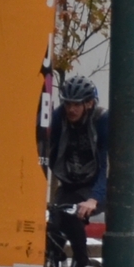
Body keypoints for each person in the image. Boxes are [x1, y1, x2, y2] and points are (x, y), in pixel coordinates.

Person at [45, 76, 109, 221]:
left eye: (76, 105)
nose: (71, 110)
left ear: (89, 103)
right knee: (54, 222)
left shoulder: (102, 120)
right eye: (67, 104)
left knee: (76, 217)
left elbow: (107, 164)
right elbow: (48, 150)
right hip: (70, 185)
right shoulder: (58, 118)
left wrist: (94, 199)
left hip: (96, 186)